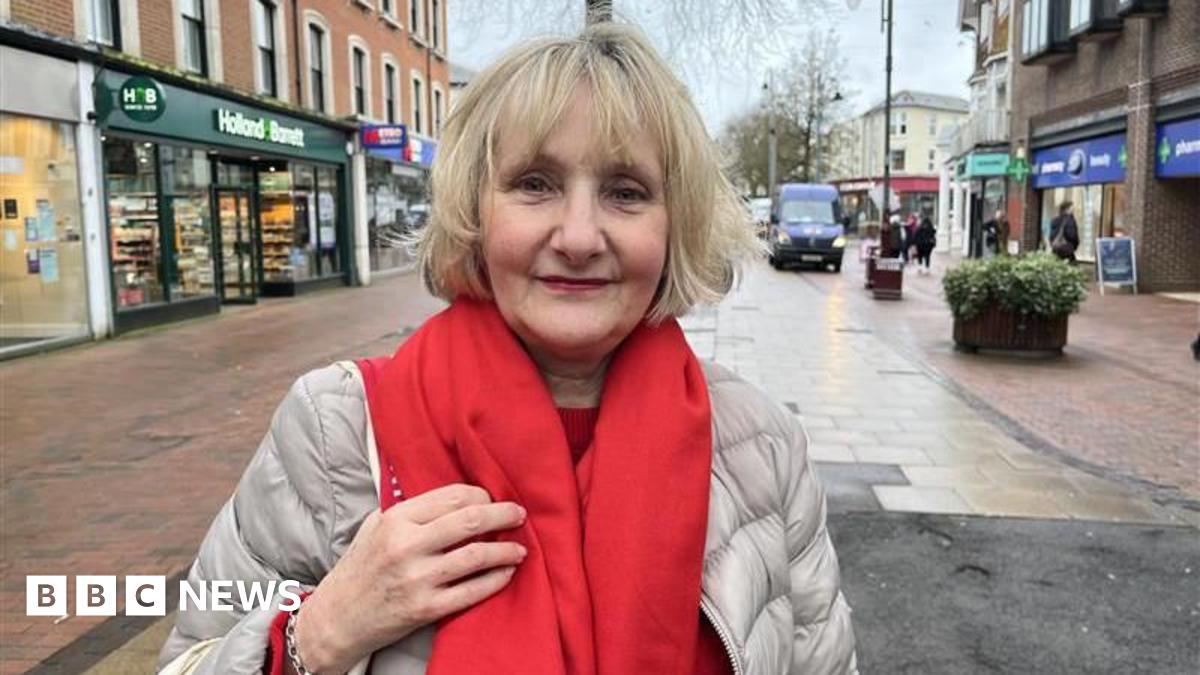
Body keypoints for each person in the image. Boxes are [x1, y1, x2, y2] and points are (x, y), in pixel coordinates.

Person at [157, 24, 857, 675]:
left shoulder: (761, 447)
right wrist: (317, 634)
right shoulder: (333, 429)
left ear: (677, 226)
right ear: (473, 209)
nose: (579, 236)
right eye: (534, 184)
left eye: (626, 191)